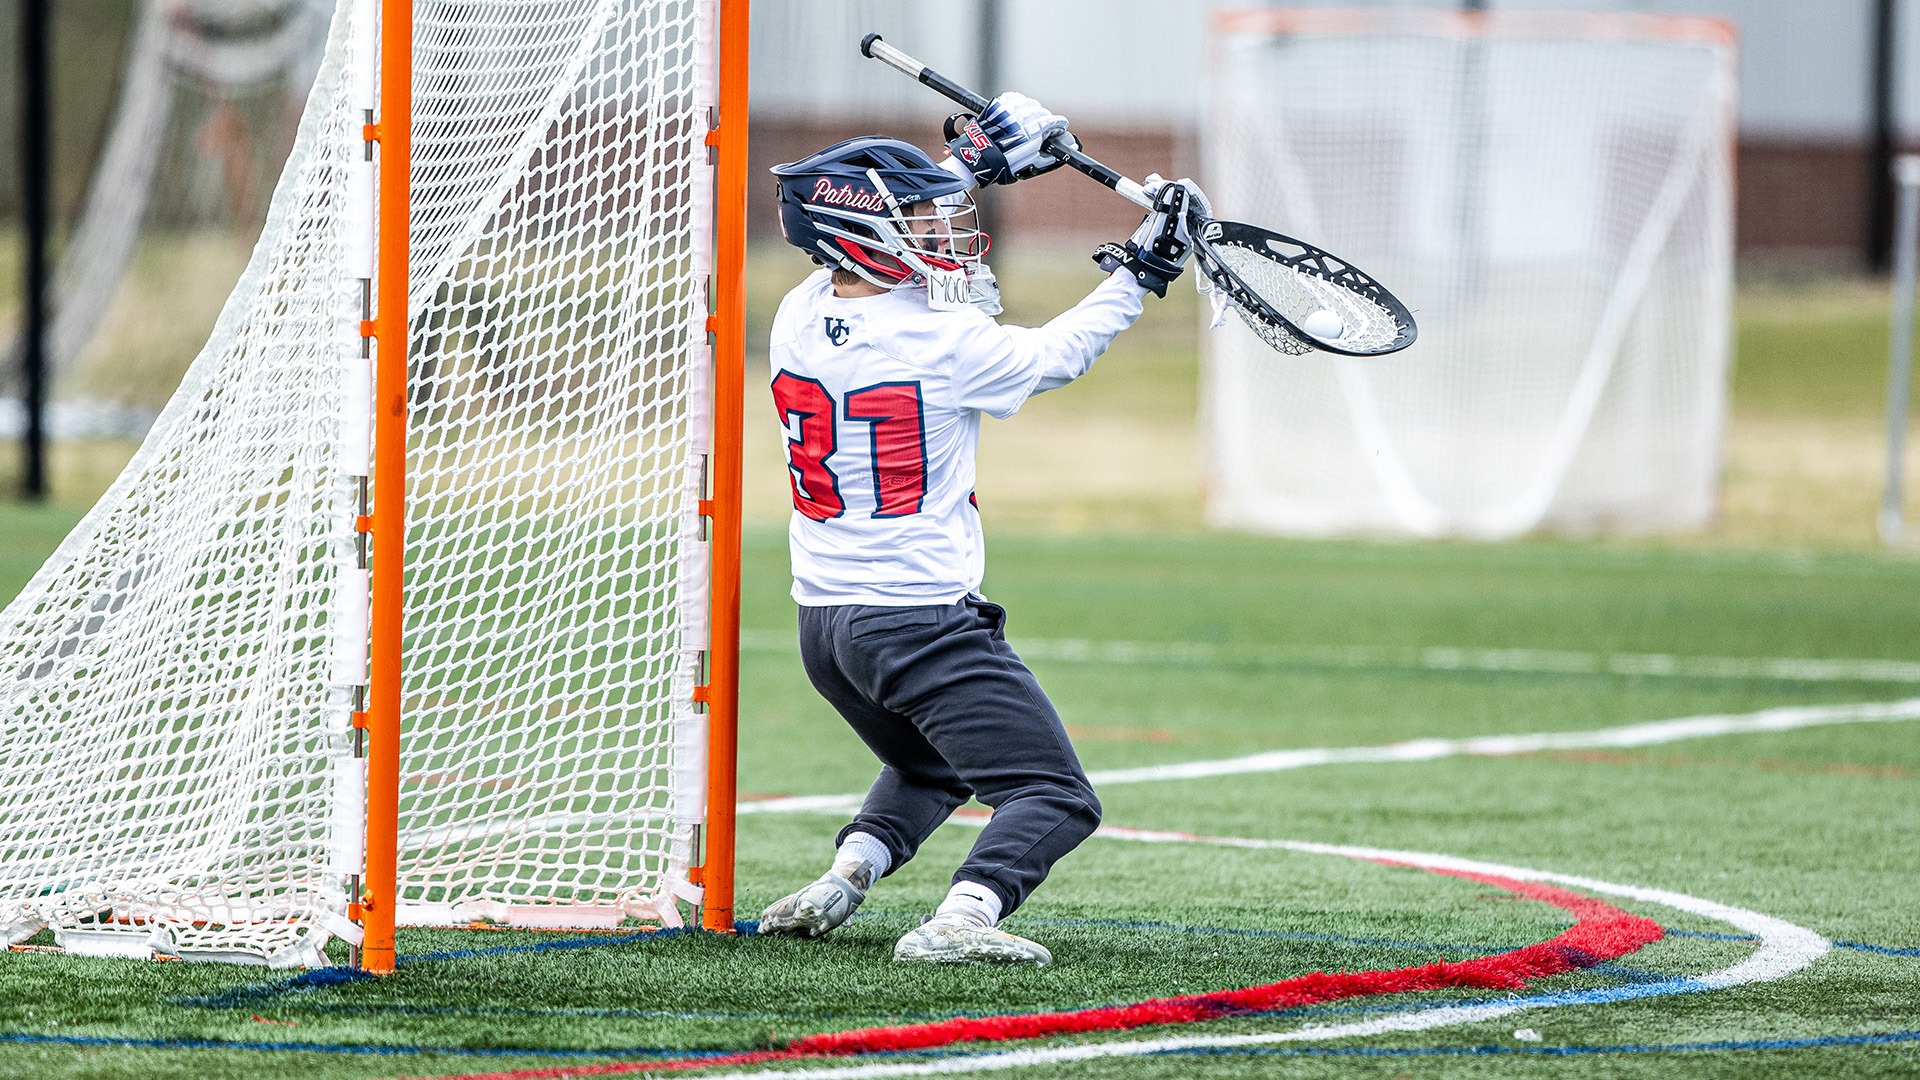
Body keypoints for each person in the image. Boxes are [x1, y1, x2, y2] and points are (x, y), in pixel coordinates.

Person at [757, 93, 1207, 965]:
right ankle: (964, 917)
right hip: (916, 618)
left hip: (824, 625)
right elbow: (1055, 356)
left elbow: (873, 228)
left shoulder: (802, 313)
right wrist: (1144, 267)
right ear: (865, 239)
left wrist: (980, 162)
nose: (939, 237)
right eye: (917, 223)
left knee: (931, 762)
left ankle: (847, 874)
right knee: (1053, 793)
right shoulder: (940, 339)